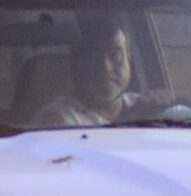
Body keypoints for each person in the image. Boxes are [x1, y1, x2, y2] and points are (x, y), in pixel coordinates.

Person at [34, 23, 168, 128]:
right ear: (80, 65)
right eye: (94, 58)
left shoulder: (146, 105)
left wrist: (168, 108)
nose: (105, 68)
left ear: (128, 59)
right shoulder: (61, 117)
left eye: (116, 56)